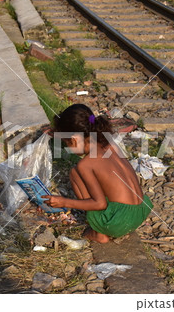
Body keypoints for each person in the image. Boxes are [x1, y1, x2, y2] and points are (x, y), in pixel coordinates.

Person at [42, 104, 153, 243]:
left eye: (66, 143)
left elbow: (99, 204)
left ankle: (98, 232)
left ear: (75, 139)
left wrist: (63, 201)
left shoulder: (86, 164)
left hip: (118, 222)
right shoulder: (110, 144)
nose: (67, 147)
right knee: (75, 172)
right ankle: (109, 224)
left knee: (75, 173)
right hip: (140, 211)